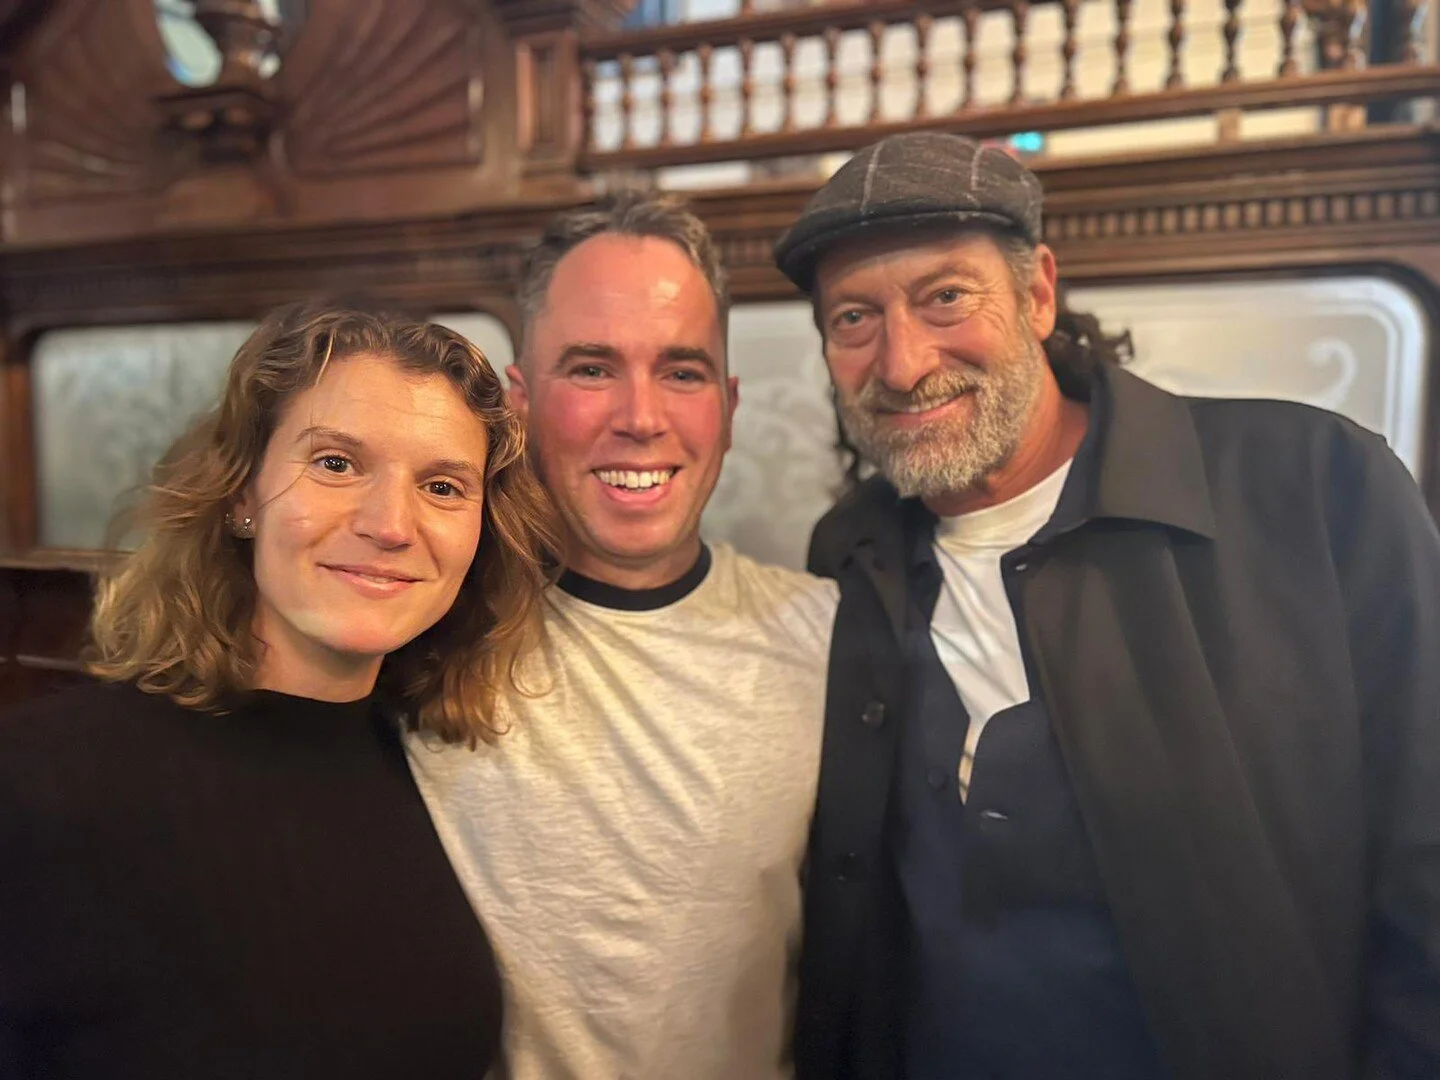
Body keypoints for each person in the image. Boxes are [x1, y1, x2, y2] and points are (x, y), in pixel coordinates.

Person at [773, 131, 1440, 1080]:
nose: (904, 362)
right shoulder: (852, 554)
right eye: (852, 317)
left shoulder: (1315, 490)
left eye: (946, 297)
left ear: (1037, 293)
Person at [0, 302, 557, 1079]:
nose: (391, 523)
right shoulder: (38, 780)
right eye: (335, 463)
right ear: (240, 494)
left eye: (441, 485)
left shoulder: (441, 770)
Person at [405, 191, 839, 1079]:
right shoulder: (420, 629)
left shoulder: (828, 639)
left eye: (681, 372)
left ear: (728, 402)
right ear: (519, 401)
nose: (641, 416)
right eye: (593, 368)